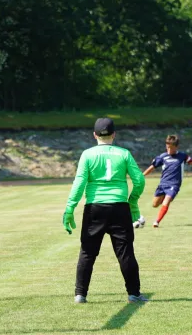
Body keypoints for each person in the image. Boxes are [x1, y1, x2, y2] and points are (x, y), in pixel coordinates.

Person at [63, 117, 148, 304]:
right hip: (119, 207)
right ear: (114, 134)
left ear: (94, 135)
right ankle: (134, 294)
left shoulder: (87, 155)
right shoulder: (124, 154)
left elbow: (79, 183)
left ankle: (80, 294)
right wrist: (132, 201)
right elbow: (140, 180)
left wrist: (70, 207)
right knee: (125, 252)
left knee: (87, 252)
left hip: (94, 208)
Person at [143, 134, 192, 228]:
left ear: (176, 147)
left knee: (166, 202)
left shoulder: (182, 156)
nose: (169, 150)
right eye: (167, 147)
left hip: (174, 185)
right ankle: (164, 200)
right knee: (155, 204)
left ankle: (157, 222)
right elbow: (152, 167)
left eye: (171, 148)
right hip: (163, 184)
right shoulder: (162, 157)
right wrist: (142, 176)